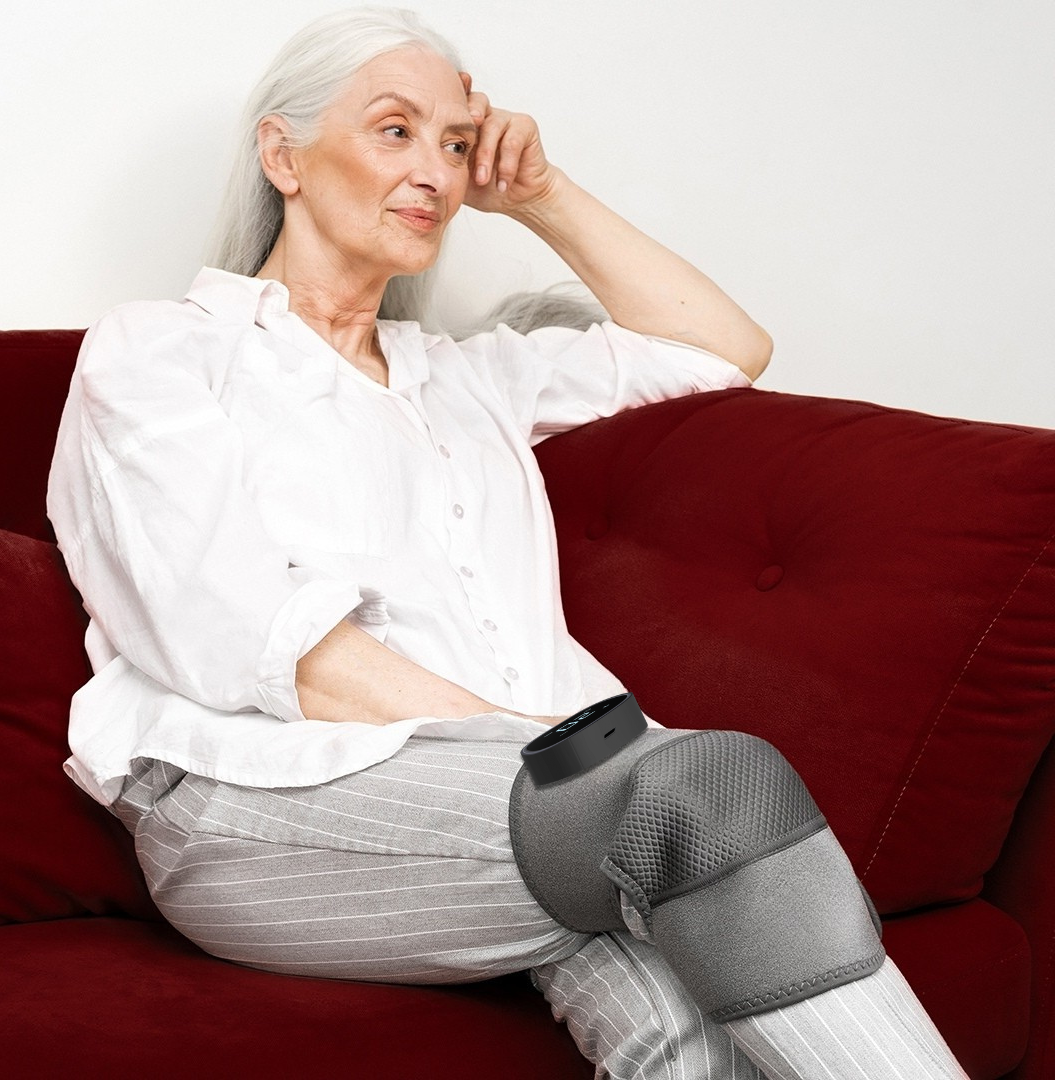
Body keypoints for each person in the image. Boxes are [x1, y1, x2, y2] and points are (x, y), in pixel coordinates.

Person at [47, 8, 969, 1079]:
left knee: (702, 1035)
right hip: (254, 796)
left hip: (513, 806)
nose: (434, 169)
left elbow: (724, 350)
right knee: (702, 801)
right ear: (282, 152)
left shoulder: (475, 376)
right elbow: (264, 644)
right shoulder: (161, 354)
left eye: (453, 141)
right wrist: (567, 752)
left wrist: (541, 196)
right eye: (394, 130)